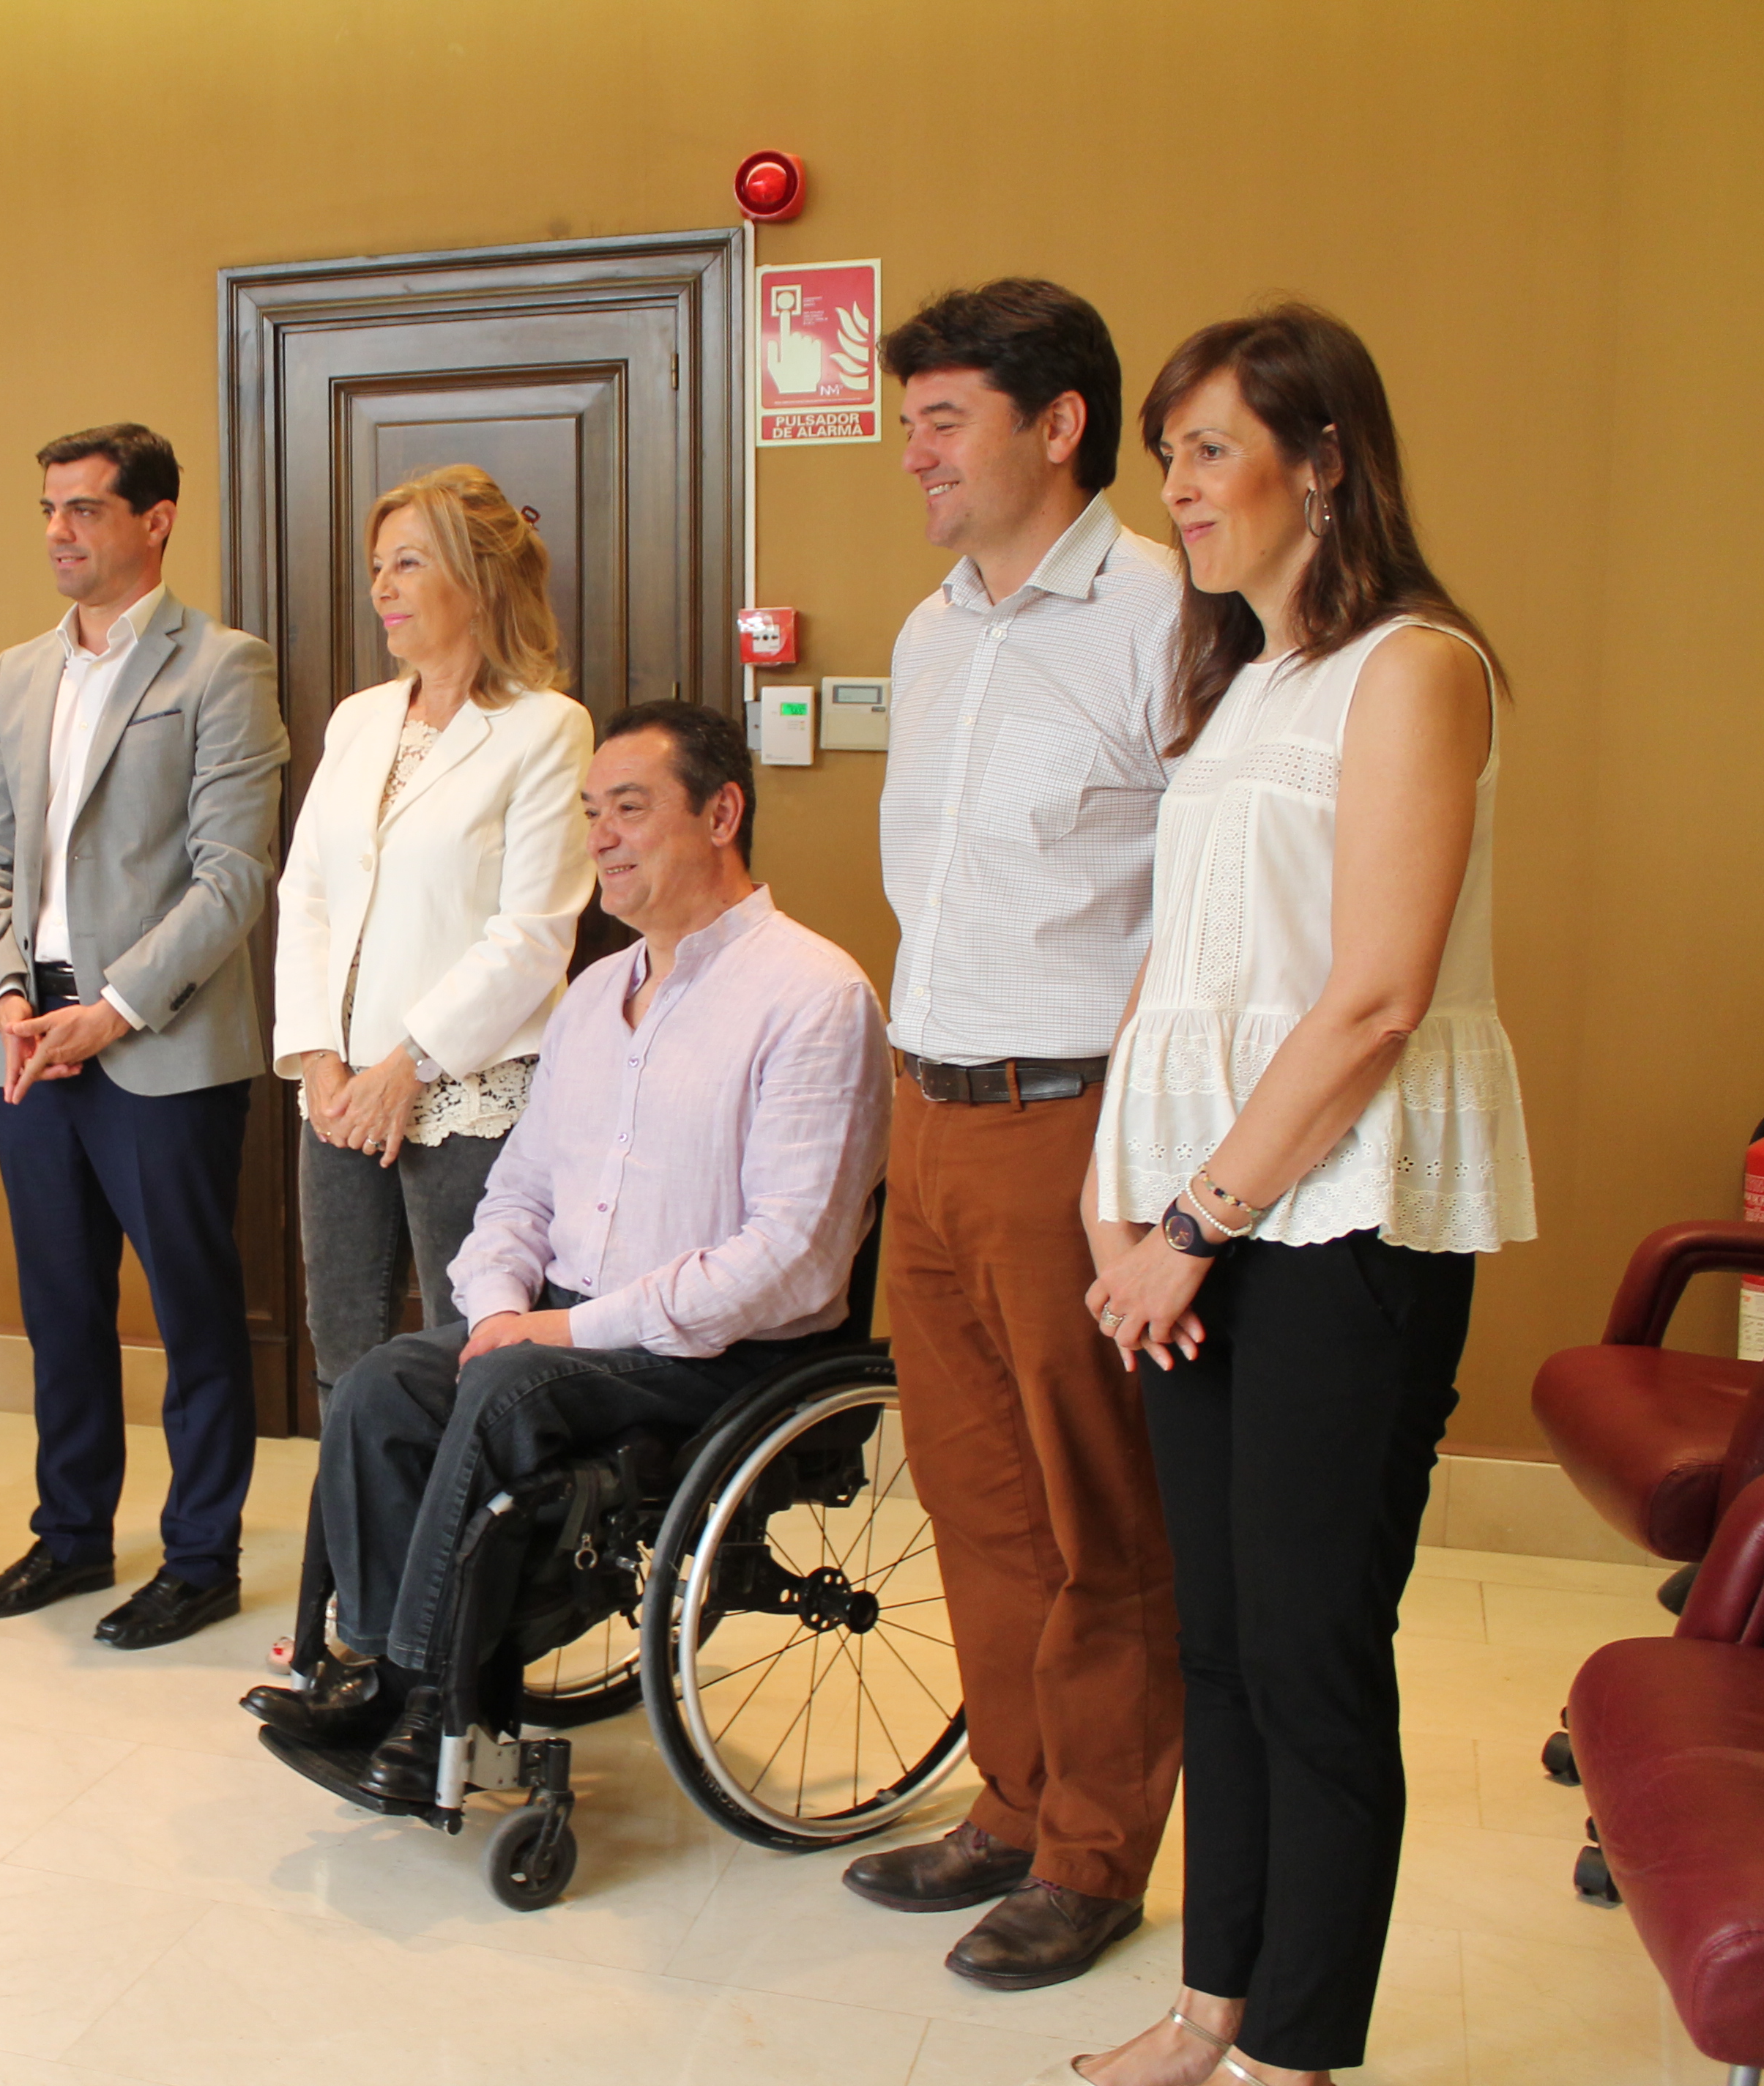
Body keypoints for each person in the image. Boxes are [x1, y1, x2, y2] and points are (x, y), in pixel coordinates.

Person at [1068, 304, 1534, 2086]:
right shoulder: (1236, 683)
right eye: (1167, 452)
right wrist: (1119, 1204)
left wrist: (1192, 1222)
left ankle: (1299, 2052)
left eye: (1206, 448)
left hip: (1339, 1220)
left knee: (1313, 1644)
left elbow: (1372, 994)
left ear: (1323, 457)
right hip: (1191, 1221)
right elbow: (1176, 972)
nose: (1174, 486)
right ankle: (1213, 2007)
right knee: (1221, 1638)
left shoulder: (1416, 664)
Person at [246, 702, 889, 1803]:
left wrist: (555, 1331)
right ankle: (374, 1667)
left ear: (722, 812)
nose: (600, 837)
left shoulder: (814, 995)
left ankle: (424, 1703)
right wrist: (500, 1301)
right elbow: (522, 1189)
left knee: (503, 1388)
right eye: (592, 814)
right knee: (381, 1387)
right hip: (561, 1322)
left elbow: (792, 1257)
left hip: (723, 1355)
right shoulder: (594, 996)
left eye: (630, 810)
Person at [841, 280, 1189, 1992]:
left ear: (1058, 426)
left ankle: (1095, 1845)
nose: (914, 451)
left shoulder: (1164, 616)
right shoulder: (928, 629)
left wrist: (1139, 1167)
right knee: (973, 1494)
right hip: (934, 1104)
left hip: (1075, 1125)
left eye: (944, 420)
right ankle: (1009, 1791)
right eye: (908, 420)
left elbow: (1200, 922)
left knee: (1093, 1508)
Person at [0, 422, 289, 1650]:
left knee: (195, 1310)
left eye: (85, 508)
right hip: (29, 1034)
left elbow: (232, 875)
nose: (59, 531)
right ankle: (71, 1531)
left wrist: (116, 1008)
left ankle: (200, 1553)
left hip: (158, 1039)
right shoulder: (16, 672)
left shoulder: (222, 667)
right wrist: (6, 998)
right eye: (48, 507)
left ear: (154, 520)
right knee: (59, 1304)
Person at [275, 463, 592, 1398]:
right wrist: (320, 1057)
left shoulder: (546, 728)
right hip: (335, 1089)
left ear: (479, 577)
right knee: (343, 1352)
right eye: (378, 566)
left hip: (470, 1088)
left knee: (464, 1355)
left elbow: (533, 934)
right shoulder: (358, 720)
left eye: (408, 563)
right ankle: (354, 1550)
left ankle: (453, 1549)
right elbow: (309, 897)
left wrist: (408, 1064)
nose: (382, 588)